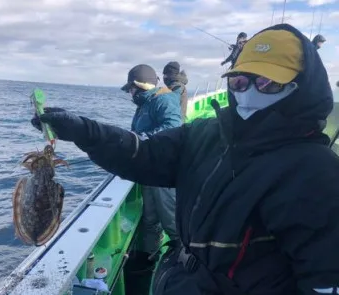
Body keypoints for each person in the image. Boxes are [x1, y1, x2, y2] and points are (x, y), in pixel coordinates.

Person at [31, 23, 339, 295]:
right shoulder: (206, 134)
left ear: (303, 87)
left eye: (269, 83)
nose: (250, 92)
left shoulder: (316, 172)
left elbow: (323, 278)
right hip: (182, 279)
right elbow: (143, 155)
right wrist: (83, 130)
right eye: (240, 81)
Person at [33, 64, 182, 295]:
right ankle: (148, 262)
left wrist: (139, 141)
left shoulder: (163, 101)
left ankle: (182, 262)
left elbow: (172, 129)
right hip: (146, 170)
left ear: (139, 86)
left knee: (171, 220)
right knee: (151, 220)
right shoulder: (146, 103)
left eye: (131, 89)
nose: (130, 95)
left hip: (160, 172)